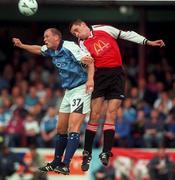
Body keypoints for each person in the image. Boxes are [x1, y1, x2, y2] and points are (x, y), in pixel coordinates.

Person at [69, 19, 165, 171]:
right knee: (95, 115)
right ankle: (87, 153)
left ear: (83, 26)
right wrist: (89, 78)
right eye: (73, 33)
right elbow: (89, 64)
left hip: (117, 75)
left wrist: (148, 42)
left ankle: (106, 152)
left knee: (112, 114)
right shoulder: (81, 44)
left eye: (76, 30)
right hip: (99, 77)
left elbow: (127, 35)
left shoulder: (104, 28)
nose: (76, 34)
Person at [12, 27, 94, 175]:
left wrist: (90, 79)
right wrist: (22, 45)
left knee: (73, 128)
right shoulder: (52, 49)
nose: (44, 40)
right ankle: (56, 162)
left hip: (81, 89)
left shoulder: (70, 47)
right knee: (60, 129)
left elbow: (89, 61)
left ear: (56, 37)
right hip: (68, 91)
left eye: (47, 37)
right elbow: (38, 49)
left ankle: (65, 164)